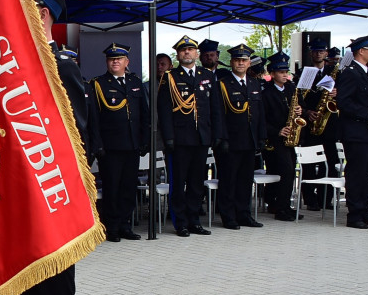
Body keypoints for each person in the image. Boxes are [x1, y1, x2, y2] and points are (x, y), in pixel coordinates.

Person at [0, 0, 88, 295]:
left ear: (44, 14)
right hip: (21, 211)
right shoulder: (15, 66)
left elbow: (77, 143)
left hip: (52, 211)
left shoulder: (60, 67)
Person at [157, 36, 221, 237]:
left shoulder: (207, 76)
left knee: (196, 183)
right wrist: (168, 137)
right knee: (179, 183)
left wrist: (217, 134)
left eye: (190, 50)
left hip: (201, 137)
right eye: (183, 50)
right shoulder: (170, 77)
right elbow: (164, 110)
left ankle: (194, 220)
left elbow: (215, 108)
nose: (187, 53)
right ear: (177, 54)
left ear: (196, 54)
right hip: (179, 139)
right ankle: (180, 222)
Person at [88, 42, 149, 241]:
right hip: (110, 146)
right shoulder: (98, 84)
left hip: (131, 144)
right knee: (112, 188)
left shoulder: (135, 82)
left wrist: (144, 140)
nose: (115, 62)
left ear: (126, 62)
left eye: (119, 59)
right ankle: (111, 227)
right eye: (112, 59)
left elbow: (144, 114)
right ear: (107, 62)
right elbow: (94, 118)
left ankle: (125, 225)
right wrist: (97, 145)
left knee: (128, 188)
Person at [213, 44, 266, 229]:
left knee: (245, 180)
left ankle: (244, 214)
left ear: (249, 62)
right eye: (237, 60)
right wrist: (222, 139)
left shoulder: (253, 83)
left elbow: (259, 113)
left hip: (249, 140)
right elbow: (218, 114)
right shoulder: (223, 84)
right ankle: (229, 217)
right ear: (231, 63)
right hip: (231, 142)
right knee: (229, 181)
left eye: (243, 60)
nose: (240, 63)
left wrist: (261, 136)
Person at [336, 34, 368, 229]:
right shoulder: (350, 72)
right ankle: (354, 214)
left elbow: (361, 97)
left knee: (366, 173)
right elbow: (344, 103)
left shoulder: (366, 72)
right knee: (356, 173)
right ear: (361, 51)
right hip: (355, 131)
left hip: (367, 131)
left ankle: (366, 212)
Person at [298, 39, 341, 211]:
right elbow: (298, 98)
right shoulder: (303, 73)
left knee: (331, 163)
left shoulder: (333, 73)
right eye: (315, 51)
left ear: (326, 54)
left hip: (329, 124)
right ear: (310, 53)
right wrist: (307, 112)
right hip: (310, 124)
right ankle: (310, 199)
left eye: (321, 51)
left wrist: (337, 93)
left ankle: (326, 198)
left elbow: (345, 95)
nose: (318, 54)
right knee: (309, 164)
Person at [261, 52, 303, 222]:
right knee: (283, 171)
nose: (285, 75)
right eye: (281, 72)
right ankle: (278, 206)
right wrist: (277, 131)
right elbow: (261, 119)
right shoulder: (266, 93)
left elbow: (302, 108)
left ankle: (283, 204)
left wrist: (301, 111)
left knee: (289, 171)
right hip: (275, 139)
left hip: (290, 138)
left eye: (286, 71)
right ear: (272, 74)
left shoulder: (292, 89)